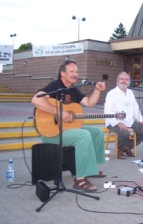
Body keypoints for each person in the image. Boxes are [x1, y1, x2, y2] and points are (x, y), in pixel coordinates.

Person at [31, 59, 106, 192]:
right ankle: (80, 179)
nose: (75, 74)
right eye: (72, 71)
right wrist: (59, 112)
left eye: (76, 71)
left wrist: (97, 90)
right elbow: (35, 99)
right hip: (51, 133)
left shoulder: (73, 90)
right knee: (83, 135)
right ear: (63, 73)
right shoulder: (55, 85)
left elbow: (89, 103)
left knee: (97, 132)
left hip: (65, 129)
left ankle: (90, 168)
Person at [104, 71, 143, 159]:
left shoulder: (130, 93)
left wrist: (141, 120)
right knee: (124, 132)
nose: (124, 81)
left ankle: (126, 147)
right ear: (117, 81)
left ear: (129, 82)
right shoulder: (111, 93)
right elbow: (108, 111)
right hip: (113, 122)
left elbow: (135, 108)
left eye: (126, 79)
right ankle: (120, 149)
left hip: (129, 121)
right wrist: (117, 123)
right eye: (122, 79)